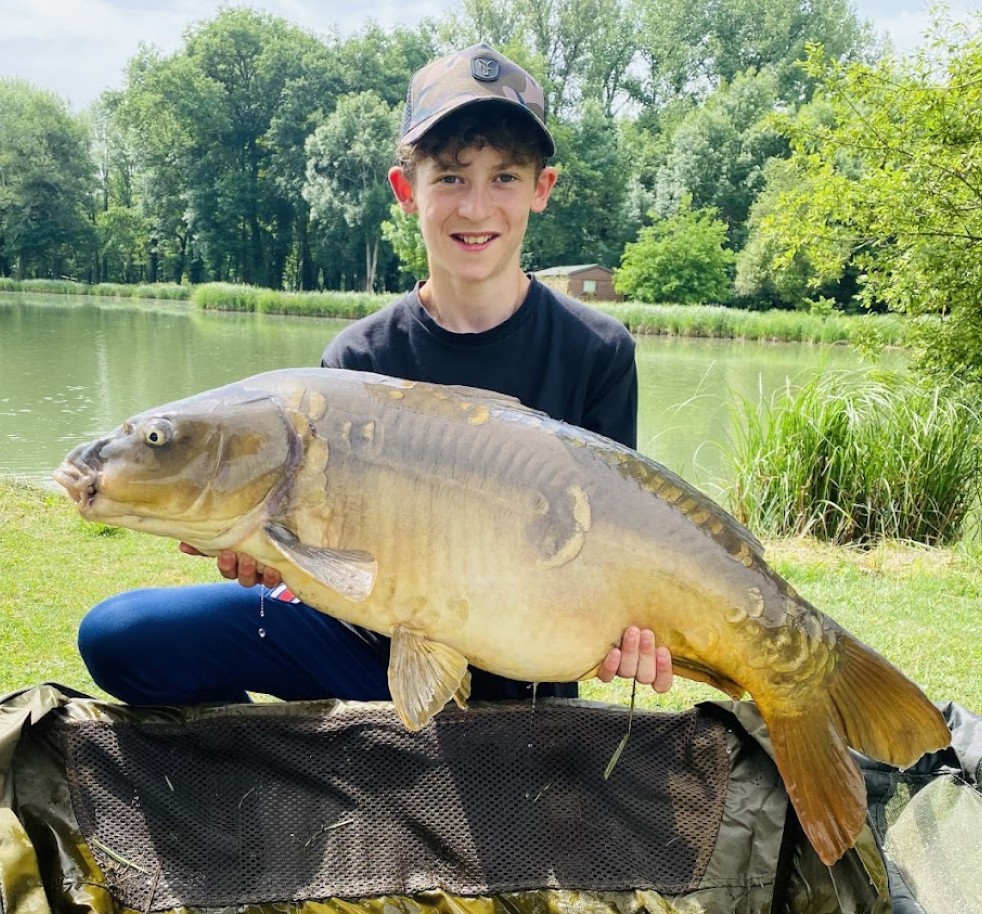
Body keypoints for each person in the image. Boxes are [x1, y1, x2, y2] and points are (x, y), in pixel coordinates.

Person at [77, 43, 673, 707]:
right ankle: (271, 774)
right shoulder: (357, 359)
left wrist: (626, 631)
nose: (476, 208)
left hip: (525, 664)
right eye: (449, 178)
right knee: (120, 634)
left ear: (541, 190)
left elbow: (615, 540)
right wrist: (272, 557)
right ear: (405, 191)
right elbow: (331, 568)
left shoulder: (598, 349)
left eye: (504, 178)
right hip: (371, 653)